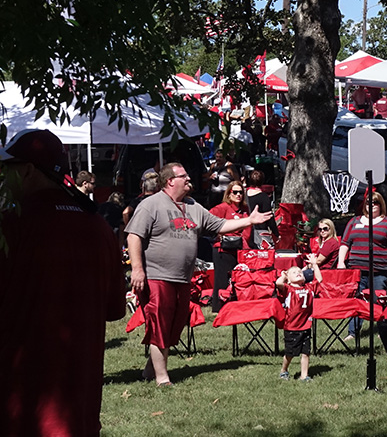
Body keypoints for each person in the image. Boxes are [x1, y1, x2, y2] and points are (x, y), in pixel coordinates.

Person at [0, 129, 125, 436]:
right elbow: (115, 308)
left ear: (28, 171)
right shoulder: (98, 226)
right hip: (78, 408)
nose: (3, 177)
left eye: (7, 169)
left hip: (20, 408)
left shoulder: (10, 224)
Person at [126, 162, 273, 386]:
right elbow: (134, 236)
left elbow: (220, 225)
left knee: (174, 326)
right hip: (157, 276)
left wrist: (250, 221)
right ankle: (162, 378)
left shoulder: (193, 206)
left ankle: (150, 370)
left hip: (183, 277)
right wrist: (137, 269)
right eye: (183, 176)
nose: (189, 179)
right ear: (170, 181)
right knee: (159, 323)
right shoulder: (151, 205)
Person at [338, 191, 387, 340]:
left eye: (375, 203)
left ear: (381, 205)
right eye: (368, 202)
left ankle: (382, 330)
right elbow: (345, 243)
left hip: (380, 270)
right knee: (357, 300)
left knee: (378, 299)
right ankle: (352, 332)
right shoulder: (354, 221)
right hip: (356, 270)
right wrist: (341, 261)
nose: (371, 205)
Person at [209, 181, 251, 311]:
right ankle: (219, 307)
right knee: (221, 280)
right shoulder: (222, 208)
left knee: (238, 278)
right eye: (235, 192)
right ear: (229, 193)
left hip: (239, 249)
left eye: (240, 192)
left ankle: (235, 305)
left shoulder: (245, 210)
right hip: (223, 249)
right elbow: (208, 220)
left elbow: (248, 230)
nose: (238, 195)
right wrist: (219, 233)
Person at [277, 263, 321, 381]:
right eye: (294, 272)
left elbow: (319, 279)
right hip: (292, 327)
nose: (298, 273)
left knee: (306, 352)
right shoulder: (288, 289)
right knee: (290, 353)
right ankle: (284, 370)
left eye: (300, 272)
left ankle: (304, 375)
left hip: (306, 325)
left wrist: (315, 265)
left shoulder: (309, 288)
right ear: (289, 279)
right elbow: (278, 283)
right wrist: (284, 276)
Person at [245, 169, 277, 248]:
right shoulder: (263, 197)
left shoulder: (243, 195)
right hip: (260, 232)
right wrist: (276, 233)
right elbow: (268, 216)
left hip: (245, 230)